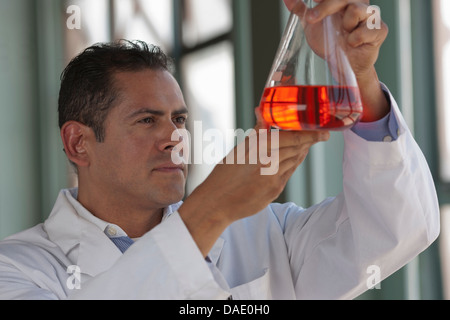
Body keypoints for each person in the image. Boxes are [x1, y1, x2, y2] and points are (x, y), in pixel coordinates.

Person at [0, 0, 440, 300]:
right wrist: (211, 209)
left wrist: (357, 74)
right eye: (147, 120)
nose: (174, 137)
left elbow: (398, 228)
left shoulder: (263, 233)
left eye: (179, 120)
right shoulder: (20, 269)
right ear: (78, 142)